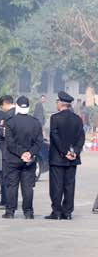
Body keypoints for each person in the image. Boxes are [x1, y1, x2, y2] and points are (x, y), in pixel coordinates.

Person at [45, 91, 85, 220]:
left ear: (60, 103)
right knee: (69, 185)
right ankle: (67, 212)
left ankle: (56, 212)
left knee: (56, 186)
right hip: (72, 159)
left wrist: (64, 152)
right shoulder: (77, 119)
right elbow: (81, 138)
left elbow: (54, 137)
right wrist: (74, 152)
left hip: (58, 158)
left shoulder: (55, 118)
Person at [2, 96, 43, 219]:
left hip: (13, 159)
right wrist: (29, 153)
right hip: (29, 161)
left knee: (12, 186)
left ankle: (10, 211)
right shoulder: (35, 122)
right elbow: (39, 142)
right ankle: (28, 212)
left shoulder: (10, 122)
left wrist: (21, 154)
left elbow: (10, 143)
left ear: (17, 106)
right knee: (28, 187)